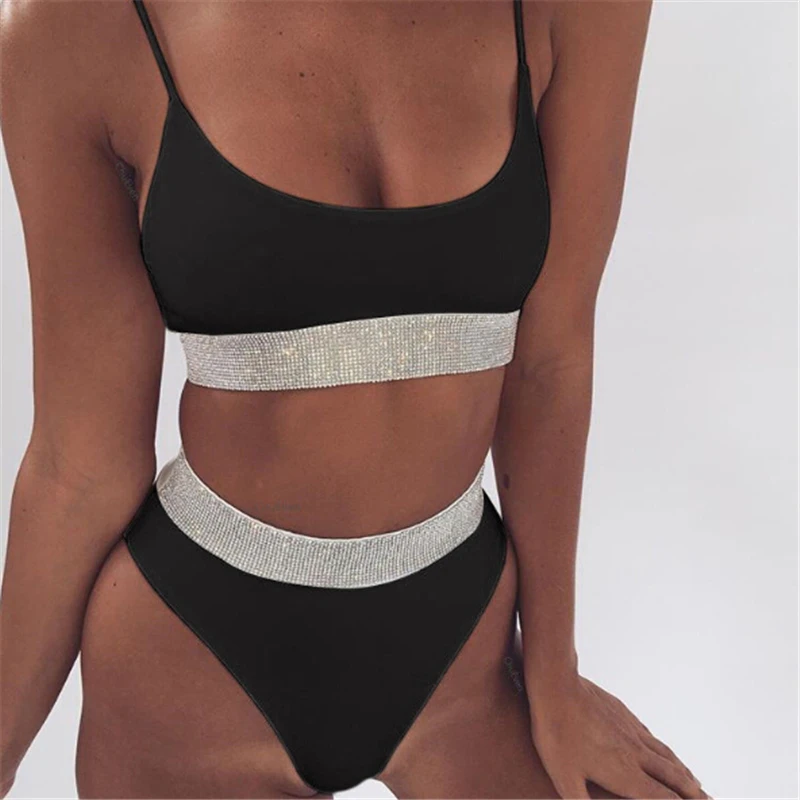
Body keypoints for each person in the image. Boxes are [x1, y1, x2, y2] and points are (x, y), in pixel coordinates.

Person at [0, 1, 707, 797]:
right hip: (192, 664)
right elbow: (79, 465)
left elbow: (550, 357)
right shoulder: (79, 26)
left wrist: (554, 677)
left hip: (463, 658)